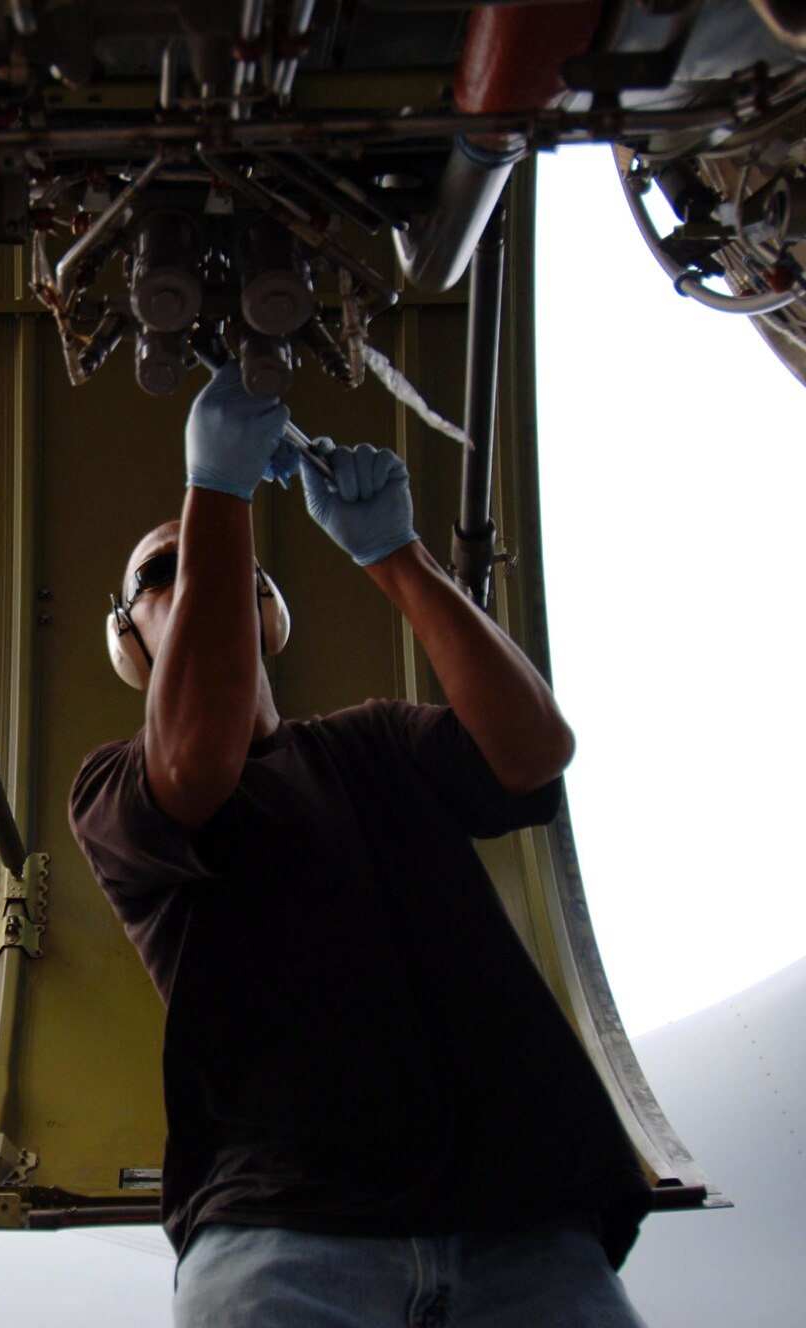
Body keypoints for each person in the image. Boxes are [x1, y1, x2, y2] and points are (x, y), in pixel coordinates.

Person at [68, 365, 651, 1326]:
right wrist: (212, 493)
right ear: (128, 640)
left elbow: (533, 752)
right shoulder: (114, 785)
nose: (205, 570)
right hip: (281, 1240)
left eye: (231, 565)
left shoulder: (375, 742)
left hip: (527, 1228)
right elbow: (196, 760)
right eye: (160, 574)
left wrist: (397, 557)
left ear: (272, 614)